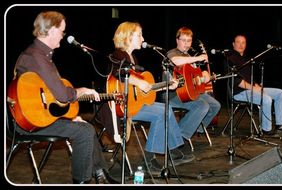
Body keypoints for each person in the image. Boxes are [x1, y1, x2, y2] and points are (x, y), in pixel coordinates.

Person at [11, 11, 116, 184]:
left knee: (83, 125)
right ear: (52, 30)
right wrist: (82, 91)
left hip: (38, 118)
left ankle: (100, 173)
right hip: (27, 123)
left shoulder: (38, 54)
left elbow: (48, 95)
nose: (63, 36)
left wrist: (69, 115)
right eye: (62, 31)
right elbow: (62, 94)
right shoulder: (36, 57)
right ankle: (81, 181)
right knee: (85, 131)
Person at [98, 21, 195, 175]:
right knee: (161, 113)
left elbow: (146, 89)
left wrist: (166, 86)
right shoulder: (117, 55)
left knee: (166, 108)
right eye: (139, 35)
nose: (143, 39)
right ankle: (152, 158)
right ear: (128, 37)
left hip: (134, 103)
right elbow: (118, 74)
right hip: (120, 106)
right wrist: (138, 82)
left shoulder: (133, 57)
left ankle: (173, 149)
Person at [226, 34, 282, 135]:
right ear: (233, 44)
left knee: (280, 93)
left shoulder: (246, 59)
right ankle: (266, 130)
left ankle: (281, 125)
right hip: (239, 92)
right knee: (266, 99)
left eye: (243, 42)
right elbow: (237, 81)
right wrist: (253, 88)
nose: (241, 45)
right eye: (238, 42)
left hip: (251, 89)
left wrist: (257, 85)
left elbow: (249, 77)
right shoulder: (230, 58)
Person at [165, 27, 221, 140]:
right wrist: (198, 58)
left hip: (191, 92)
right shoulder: (172, 53)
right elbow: (175, 61)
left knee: (216, 106)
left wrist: (204, 75)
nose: (186, 44)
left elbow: (195, 75)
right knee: (202, 106)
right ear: (177, 40)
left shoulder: (189, 56)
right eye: (183, 40)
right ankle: (177, 137)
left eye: (189, 41)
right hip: (176, 94)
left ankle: (197, 128)